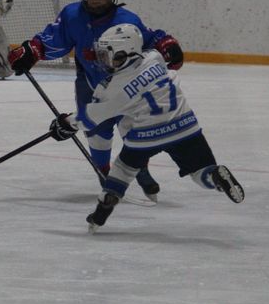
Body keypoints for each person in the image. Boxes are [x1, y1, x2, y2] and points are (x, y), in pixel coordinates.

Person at [8, 0, 184, 200]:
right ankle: (104, 174)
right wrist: (32, 51)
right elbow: (53, 39)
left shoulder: (127, 19)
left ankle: (140, 168)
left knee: (133, 130)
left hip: (127, 87)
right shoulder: (72, 15)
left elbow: (151, 40)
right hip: (90, 83)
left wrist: (167, 46)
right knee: (96, 132)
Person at [46, 23, 244, 232]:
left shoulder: (111, 88)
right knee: (200, 172)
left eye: (108, 55)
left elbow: (89, 118)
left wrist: (66, 123)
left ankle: (104, 207)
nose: (104, 61)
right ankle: (215, 176)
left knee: (123, 169)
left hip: (146, 136)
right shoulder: (154, 57)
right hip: (185, 126)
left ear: (125, 52)